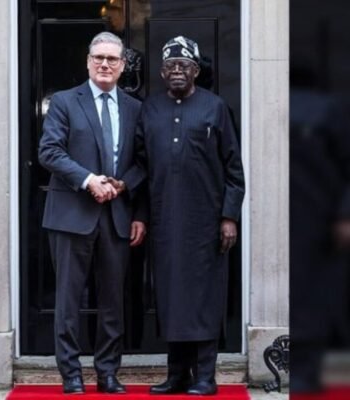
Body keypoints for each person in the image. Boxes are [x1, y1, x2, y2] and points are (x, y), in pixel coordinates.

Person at [38, 31, 146, 395]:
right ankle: (70, 374)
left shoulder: (135, 108)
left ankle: (108, 372)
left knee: (113, 302)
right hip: (71, 215)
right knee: (68, 302)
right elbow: (49, 151)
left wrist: (125, 187)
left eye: (112, 59)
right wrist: (88, 181)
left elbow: (144, 162)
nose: (104, 64)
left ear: (122, 65)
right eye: (98, 57)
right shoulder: (65, 102)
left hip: (117, 217)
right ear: (87, 62)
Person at [137, 36, 245, 396]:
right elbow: (140, 166)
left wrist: (229, 217)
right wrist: (139, 212)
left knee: (204, 299)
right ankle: (177, 375)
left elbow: (234, 169)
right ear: (162, 72)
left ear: (196, 71)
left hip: (206, 223)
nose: (177, 71)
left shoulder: (216, 108)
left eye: (184, 65)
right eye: (170, 65)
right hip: (165, 221)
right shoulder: (150, 109)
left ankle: (205, 377)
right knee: (172, 299)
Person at [289, 71, 350, 393]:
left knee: (311, 298)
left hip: (315, 225)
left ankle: (304, 371)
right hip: (266, 224)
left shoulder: (324, 112)